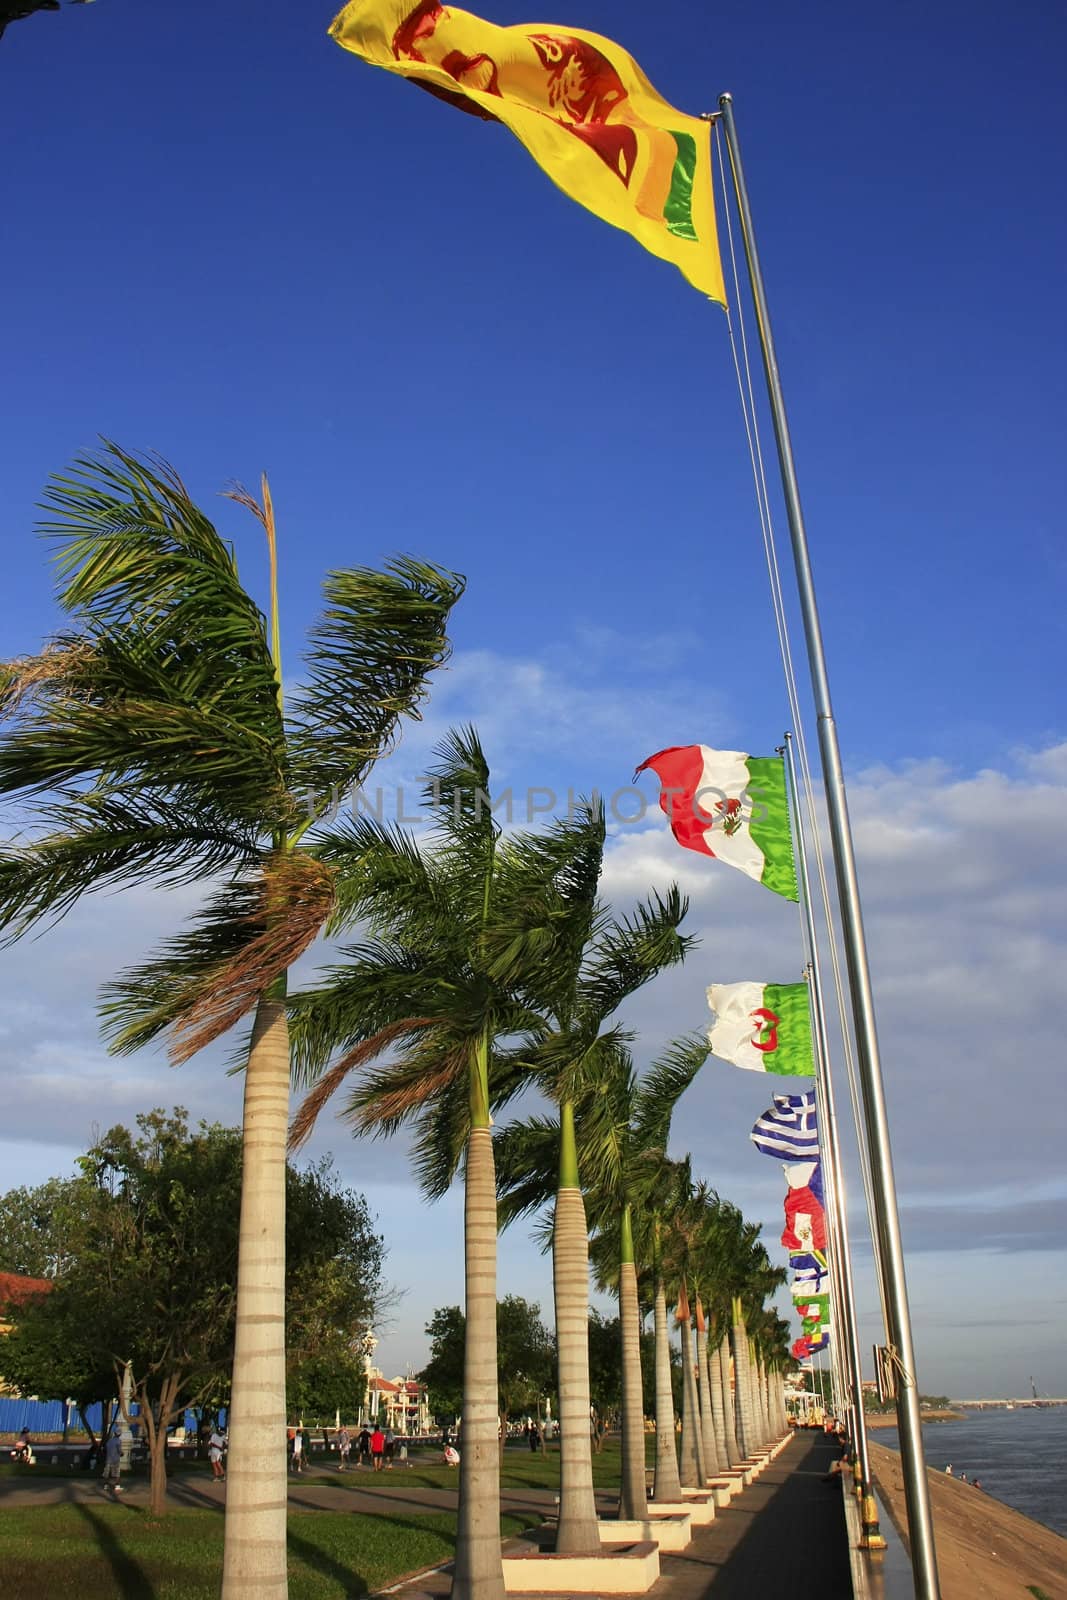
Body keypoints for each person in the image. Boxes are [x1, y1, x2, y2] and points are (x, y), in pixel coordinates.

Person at [102, 1427, 124, 1496]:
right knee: (117, 1473)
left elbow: (105, 1449)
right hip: (115, 1459)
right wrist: (122, 1454)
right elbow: (119, 1450)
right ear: (120, 1434)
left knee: (107, 1473)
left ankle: (106, 1485)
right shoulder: (118, 1441)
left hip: (108, 1459)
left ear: (114, 1433)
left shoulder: (109, 1441)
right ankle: (117, 1486)